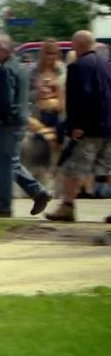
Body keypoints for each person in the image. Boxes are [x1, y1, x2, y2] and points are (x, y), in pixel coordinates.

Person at [0, 34, 51, 217]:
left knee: (6, 164)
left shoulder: (5, 70)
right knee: (11, 162)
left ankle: (5, 206)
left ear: (5, 50)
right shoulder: (20, 68)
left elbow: (5, 99)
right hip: (17, 120)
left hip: (7, 122)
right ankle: (38, 192)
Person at [45, 30, 111, 221]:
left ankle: (67, 207)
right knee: (108, 169)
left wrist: (76, 125)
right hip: (107, 125)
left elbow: (82, 97)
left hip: (88, 129)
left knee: (73, 168)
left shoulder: (78, 67)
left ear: (79, 45)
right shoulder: (104, 65)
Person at [30, 39, 66, 141]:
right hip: (39, 116)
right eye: (48, 53)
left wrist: (57, 88)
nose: (50, 56)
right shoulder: (33, 71)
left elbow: (67, 90)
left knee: (57, 148)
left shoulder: (61, 69)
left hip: (58, 115)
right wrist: (38, 93)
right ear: (41, 53)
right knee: (40, 148)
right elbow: (24, 95)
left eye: (54, 53)